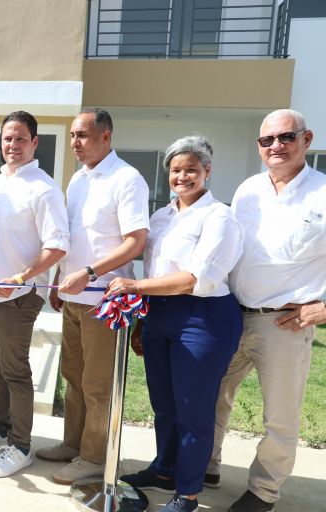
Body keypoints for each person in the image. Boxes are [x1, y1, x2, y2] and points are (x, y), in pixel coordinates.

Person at [108, 135, 244, 512]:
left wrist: (134, 287)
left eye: (191, 169)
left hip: (204, 317)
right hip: (159, 315)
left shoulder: (219, 217)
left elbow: (196, 279)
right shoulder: (161, 217)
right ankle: (165, 470)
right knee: (164, 404)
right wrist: (143, 319)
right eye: (175, 169)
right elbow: (156, 271)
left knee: (193, 410)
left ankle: (188, 493)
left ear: (207, 171)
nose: (182, 176)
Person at [208, 109, 326, 512]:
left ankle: (263, 491)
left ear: (306, 140)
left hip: (284, 324)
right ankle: (206, 465)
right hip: (231, 315)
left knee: (279, 415)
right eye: (267, 140)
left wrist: (324, 308)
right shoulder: (248, 190)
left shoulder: (322, 192)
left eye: (286, 137)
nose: (276, 146)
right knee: (210, 398)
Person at [38, 107, 150, 483]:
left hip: (104, 301)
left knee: (97, 384)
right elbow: (72, 234)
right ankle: (73, 445)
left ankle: (94, 457)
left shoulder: (127, 179)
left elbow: (135, 242)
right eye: (72, 135)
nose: (74, 142)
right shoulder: (77, 179)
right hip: (72, 297)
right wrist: (61, 275)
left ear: (105, 137)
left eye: (82, 135)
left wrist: (88, 274)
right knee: (72, 376)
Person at [0, 111, 69, 477]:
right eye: (7, 138)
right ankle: (1, 427)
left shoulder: (44, 189)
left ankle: (20, 447)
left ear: (34, 143)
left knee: (14, 370)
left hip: (19, 296)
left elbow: (57, 245)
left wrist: (21, 277)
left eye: (21, 138)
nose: (13, 144)